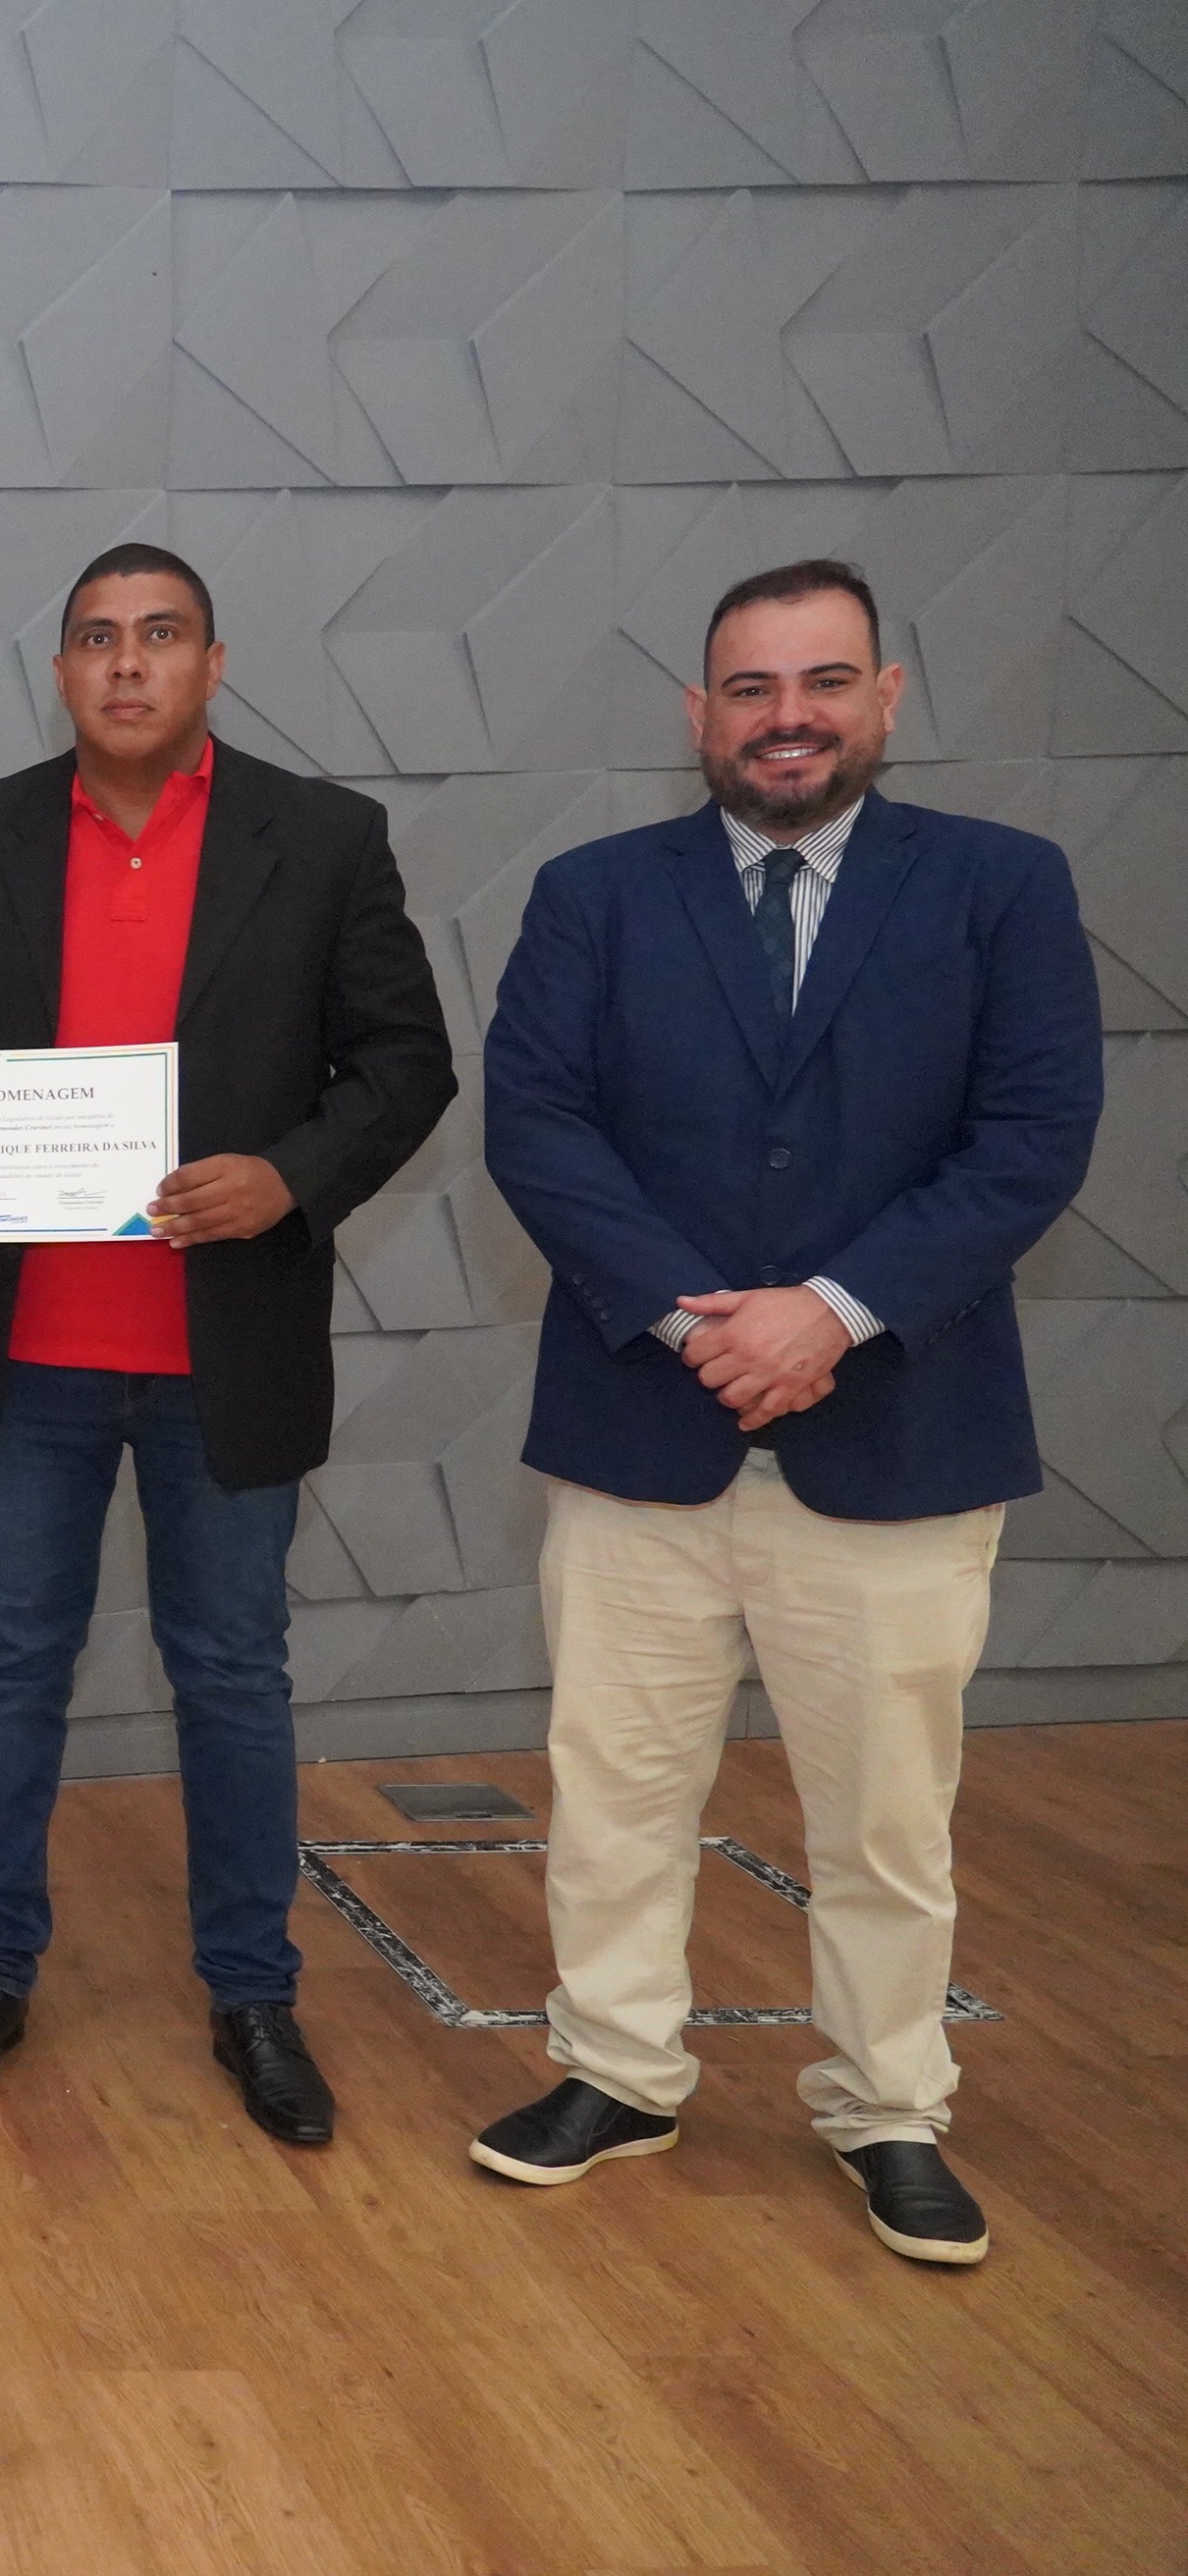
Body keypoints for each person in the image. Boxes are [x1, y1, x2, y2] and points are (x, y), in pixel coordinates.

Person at [470, 560, 1101, 2265]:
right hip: (643, 1428)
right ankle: (615, 2071)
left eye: (824, 682)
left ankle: (889, 2104)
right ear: (701, 714)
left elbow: (1032, 1140)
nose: (788, 718)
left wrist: (831, 1311)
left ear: (885, 696)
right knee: (614, 1790)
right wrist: (701, 1319)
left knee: (886, 1818)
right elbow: (536, 1124)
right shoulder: (596, 895)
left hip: (897, 1432)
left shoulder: (1001, 887)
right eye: (750, 689)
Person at [0, 542, 455, 2148]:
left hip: (226, 1353)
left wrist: (289, 1178)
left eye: (161, 635)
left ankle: (254, 1995)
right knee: (9, 1669)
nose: (127, 663)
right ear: (62, 669)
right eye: (97, 638)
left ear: (212, 663)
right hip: (31, 1352)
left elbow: (406, 1063)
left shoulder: (324, 838)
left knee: (233, 1676)